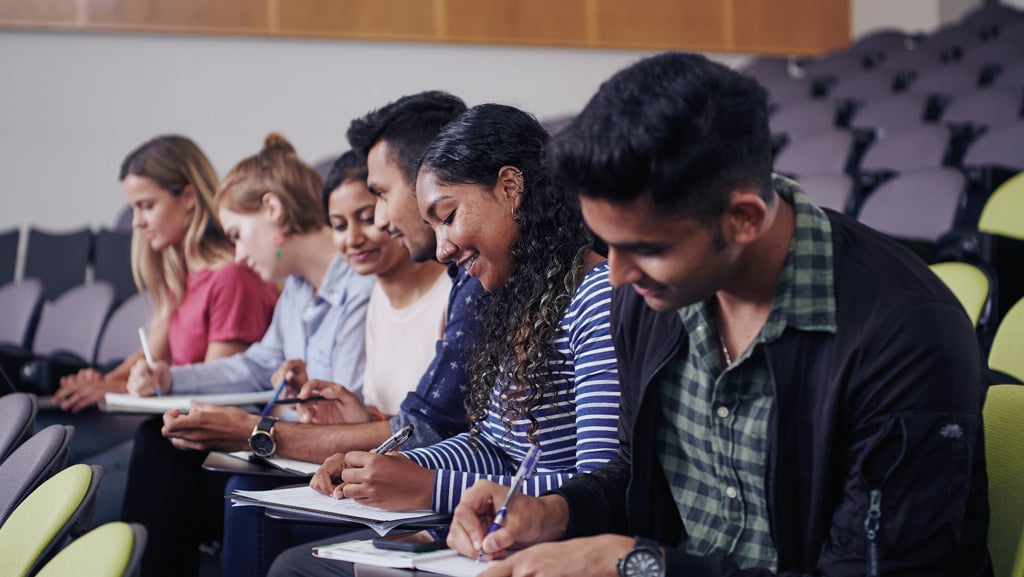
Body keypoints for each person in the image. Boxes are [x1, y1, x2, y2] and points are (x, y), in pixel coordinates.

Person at [445, 52, 992, 577]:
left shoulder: (906, 336)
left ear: (743, 220)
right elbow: (635, 477)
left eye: (646, 248)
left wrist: (636, 565)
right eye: (608, 245)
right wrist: (552, 511)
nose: (617, 276)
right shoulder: (649, 297)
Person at [268, 103, 622, 577]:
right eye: (431, 226)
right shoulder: (512, 298)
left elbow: (596, 487)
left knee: (295, 570)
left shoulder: (595, 297)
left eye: (448, 216)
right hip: (489, 533)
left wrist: (429, 486)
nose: (441, 249)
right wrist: (382, 464)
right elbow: (492, 447)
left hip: (551, 550)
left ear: (511, 188)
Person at [159, 92, 484, 576]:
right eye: (341, 222)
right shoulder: (306, 290)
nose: (375, 223)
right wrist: (363, 426)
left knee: (253, 510)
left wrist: (258, 433)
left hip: (439, 493)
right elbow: (427, 426)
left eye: (378, 197)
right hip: (427, 480)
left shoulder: (458, 285)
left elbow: (431, 430)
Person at [121, 133, 376, 577]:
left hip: (322, 452)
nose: (237, 252)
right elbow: (257, 363)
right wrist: (172, 377)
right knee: (159, 442)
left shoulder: (362, 285)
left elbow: (345, 409)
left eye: (238, 235)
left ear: (273, 211)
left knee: (182, 463)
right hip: (293, 443)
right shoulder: (296, 288)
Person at [39, 135, 278, 526]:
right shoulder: (180, 273)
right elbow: (155, 358)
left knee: (61, 494)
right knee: (48, 448)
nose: (135, 222)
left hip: (197, 448)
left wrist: (111, 388)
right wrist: (103, 381)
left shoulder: (232, 278)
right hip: (166, 430)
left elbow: (214, 389)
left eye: (146, 206)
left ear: (187, 197)